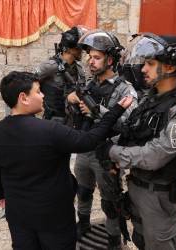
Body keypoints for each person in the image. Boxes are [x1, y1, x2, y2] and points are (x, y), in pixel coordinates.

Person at [0, 71, 132, 250]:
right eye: (38, 92)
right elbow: (89, 140)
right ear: (23, 98)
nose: (43, 95)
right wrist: (116, 110)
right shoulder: (50, 131)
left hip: (18, 213)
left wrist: (0, 195)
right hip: (53, 215)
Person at [96, 33, 176, 250]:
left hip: (160, 196)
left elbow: (155, 155)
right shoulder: (150, 98)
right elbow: (134, 132)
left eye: (151, 63)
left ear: (171, 67)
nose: (144, 69)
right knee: (141, 240)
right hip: (137, 188)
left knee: (158, 245)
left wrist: (112, 152)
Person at [71, 30, 138, 248]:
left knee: (111, 202)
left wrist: (95, 110)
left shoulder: (125, 90)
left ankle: (112, 239)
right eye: (89, 57)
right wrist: (72, 102)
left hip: (107, 155)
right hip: (84, 151)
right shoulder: (90, 84)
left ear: (110, 60)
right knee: (83, 191)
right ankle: (84, 224)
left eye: (96, 57)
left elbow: (128, 125)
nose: (91, 61)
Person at [35, 26, 87, 123]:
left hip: (74, 122)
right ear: (68, 49)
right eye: (78, 48)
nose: (81, 51)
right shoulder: (50, 67)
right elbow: (29, 86)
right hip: (53, 122)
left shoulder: (79, 70)